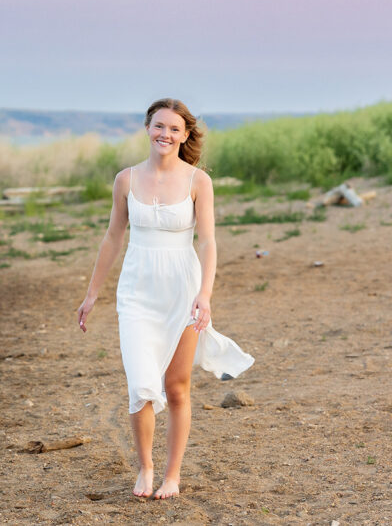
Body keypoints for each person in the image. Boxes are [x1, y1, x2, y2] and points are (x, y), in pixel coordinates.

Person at [77, 97, 255, 499]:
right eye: (159, 126)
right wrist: (92, 294)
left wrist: (205, 295)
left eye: (175, 129)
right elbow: (112, 238)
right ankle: (146, 468)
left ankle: (172, 475)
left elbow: (208, 242)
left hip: (183, 291)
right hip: (137, 292)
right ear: (147, 128)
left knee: (176, 387)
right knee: (141, 384)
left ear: (185, 134)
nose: (166, 134)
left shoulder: (198, 181)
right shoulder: (126, 179)